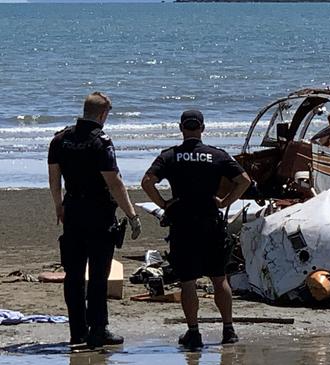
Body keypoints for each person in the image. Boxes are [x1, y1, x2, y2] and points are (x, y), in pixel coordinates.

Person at [141, 110, 251, 348]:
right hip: (210, 222)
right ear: (202, 128)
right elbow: (244, 180)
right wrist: (226, 201)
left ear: (181, 128)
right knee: (219, 278)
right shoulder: (216, 155)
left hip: (183, 224)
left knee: (188, 281)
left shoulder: (170, 156)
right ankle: (228, 330)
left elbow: (147, 182)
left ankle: (194, 332)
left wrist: (164, 204)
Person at [48, 92, 141, 348]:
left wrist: (59, 206)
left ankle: (77, 331)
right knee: (98, 274)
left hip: (73, 210)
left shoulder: (60, 139)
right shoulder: (101, 141)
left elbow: (54, 178)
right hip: (99, 213)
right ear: (103, 115)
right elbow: (115, 182)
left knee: (73, 274)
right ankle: (98, 328)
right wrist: (132, 215)